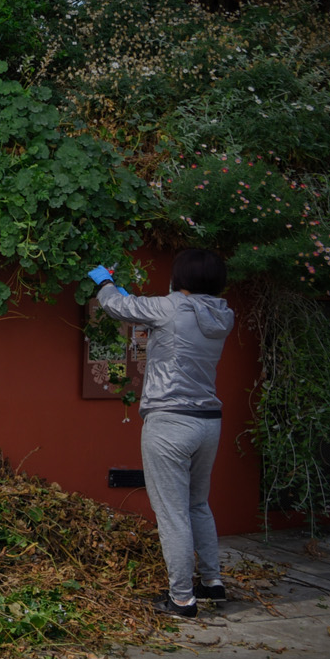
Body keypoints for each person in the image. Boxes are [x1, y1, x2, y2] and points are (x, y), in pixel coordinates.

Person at [89, 248, 234, 618]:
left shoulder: (172, 308)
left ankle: (182, 599)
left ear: (181, 278)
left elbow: (117, 306)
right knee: (197, 504)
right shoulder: (222, 314)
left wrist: (104, 280)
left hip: (170, 421)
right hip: (208, 421)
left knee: (172, 514)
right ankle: (213, 582)